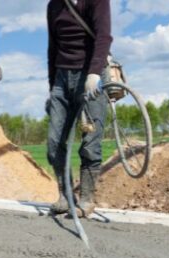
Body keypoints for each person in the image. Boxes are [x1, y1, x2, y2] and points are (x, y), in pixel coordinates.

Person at [46, 0, 112, 216]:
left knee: (90, 144)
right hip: (61, 79)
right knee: (54, 144)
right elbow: (53, 47)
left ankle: (86, 199)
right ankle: (66, 196)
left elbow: (103, 36)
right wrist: (52, 87)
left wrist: (94, 72)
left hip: (91, 76)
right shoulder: (53, 5)